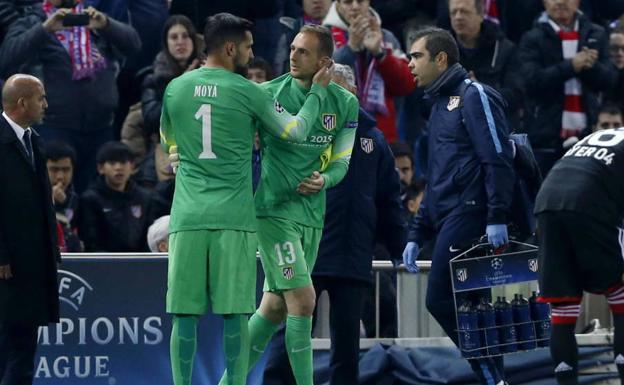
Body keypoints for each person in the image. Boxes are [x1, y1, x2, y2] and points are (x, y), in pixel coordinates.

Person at [159, 13, 332, 385]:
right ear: (231, 47)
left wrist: (177, 155)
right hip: (234, 219)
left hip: (187, 217)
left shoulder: (176, 88)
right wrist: (318, 90)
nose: (252, 55)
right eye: (250, 47)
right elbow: (295, 130)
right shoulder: (248, 91)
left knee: (184, 317)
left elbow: (166, 140)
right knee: (235, 316)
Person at [261, 63, 404, 385]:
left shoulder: (373, 139)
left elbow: (388, 199)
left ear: (353, 93)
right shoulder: (300, 131)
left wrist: (398, 246)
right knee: (291, 333)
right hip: (306, 251)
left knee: (346, 349)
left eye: (338, 91)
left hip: (352, 255)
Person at [403, 27, 515, 385]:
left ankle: (489, 374)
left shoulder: (474, 94)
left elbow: (497, 156)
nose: (409, 64)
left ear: (441, 58)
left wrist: (496, 216)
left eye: (416, 56)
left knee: (439, 299)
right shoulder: (437, 106)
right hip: (451, 214)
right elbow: (435, 178)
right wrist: (416, 232)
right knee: (474, 309)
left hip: (472, 214)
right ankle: (494, 379)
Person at [0, 0, 142, 193]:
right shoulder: (33, 20)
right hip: (54, 126)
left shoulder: (93, 19)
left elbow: (134, 45)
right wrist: (45, 29)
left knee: (97, 196)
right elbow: (7, 57)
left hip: (100, 126)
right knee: (55, 193)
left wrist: (107, 24)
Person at [534, 126, 624, 385]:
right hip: (589, 202)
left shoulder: (597, 137)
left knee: (563, 307)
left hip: (547, 202)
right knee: (620, 293)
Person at [0, 74, 60, 385]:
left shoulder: (32, 139)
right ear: (22, 103)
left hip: (32, 264)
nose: (45, 104)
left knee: (24, 351)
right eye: (41, 98)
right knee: (8, 349)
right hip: (7, 269)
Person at [518, 0, 617, 175]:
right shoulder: (531, 38)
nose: (560, 2)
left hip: (589, 137)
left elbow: (609, 81)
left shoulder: (597, 33)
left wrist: (590, 66)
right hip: (546, 138)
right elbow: (530, 82)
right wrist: (571, 66)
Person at [324, 0, 416, 143]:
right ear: (338, 5)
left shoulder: (386, 37)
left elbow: (407, 85)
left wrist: (381, 54)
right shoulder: (322, 37)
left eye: (360, 1)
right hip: (337, 134)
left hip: (383, 137)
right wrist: (350, 49)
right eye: (348, 2)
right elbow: (317, 83)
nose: (354, 6)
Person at [78, 141, 168, 252]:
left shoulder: (145, 197)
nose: (118, 167)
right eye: (112, 163)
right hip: (103, 263)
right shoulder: (90, 199)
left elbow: (148, 236)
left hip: (140, 263)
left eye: (123, 162)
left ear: (132, 166)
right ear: (101, 168)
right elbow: (91, 242)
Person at [448, 0, 524, 127]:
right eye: (453, 12)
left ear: (481, 14)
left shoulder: (504, 49)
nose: (458, 17)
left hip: (496, 127)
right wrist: (460, 98)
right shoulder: (441, 52)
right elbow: (428, 102)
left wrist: (482, 92)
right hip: (453, 131)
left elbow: (516, 95)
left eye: (465, 12)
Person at [45, 140, 83, 252]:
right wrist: (49, 200)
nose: (60, 176)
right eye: (54, 170)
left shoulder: (77, 200)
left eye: (66, 170)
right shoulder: (29, 196)